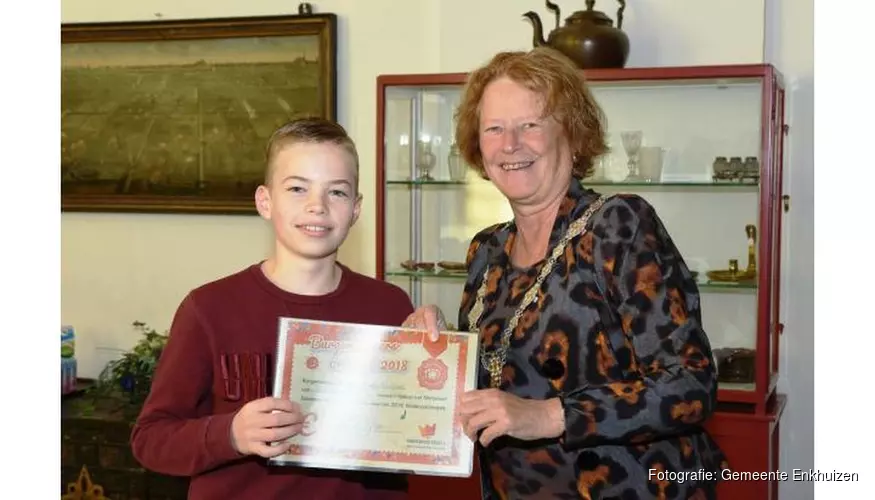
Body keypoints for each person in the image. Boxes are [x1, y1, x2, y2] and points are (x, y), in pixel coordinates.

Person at [404, 47, 728, 499]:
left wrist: (550, 415)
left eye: (530, 124)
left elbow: (690, 384)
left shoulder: (618, 226)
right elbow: (497, 390)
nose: (510, 143)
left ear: (572, 136)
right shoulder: (487, 250)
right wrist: (440, 351)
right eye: (494, 128)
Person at [131, 117, 414, 499]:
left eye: (337, 193)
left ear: (356, 209)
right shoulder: (209, 308)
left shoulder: (389, 306)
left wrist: (438, 353)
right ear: (265, 201)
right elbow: (151, 439)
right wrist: (230, 434)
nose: (317, 207)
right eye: (298, 188)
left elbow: (415, 426)